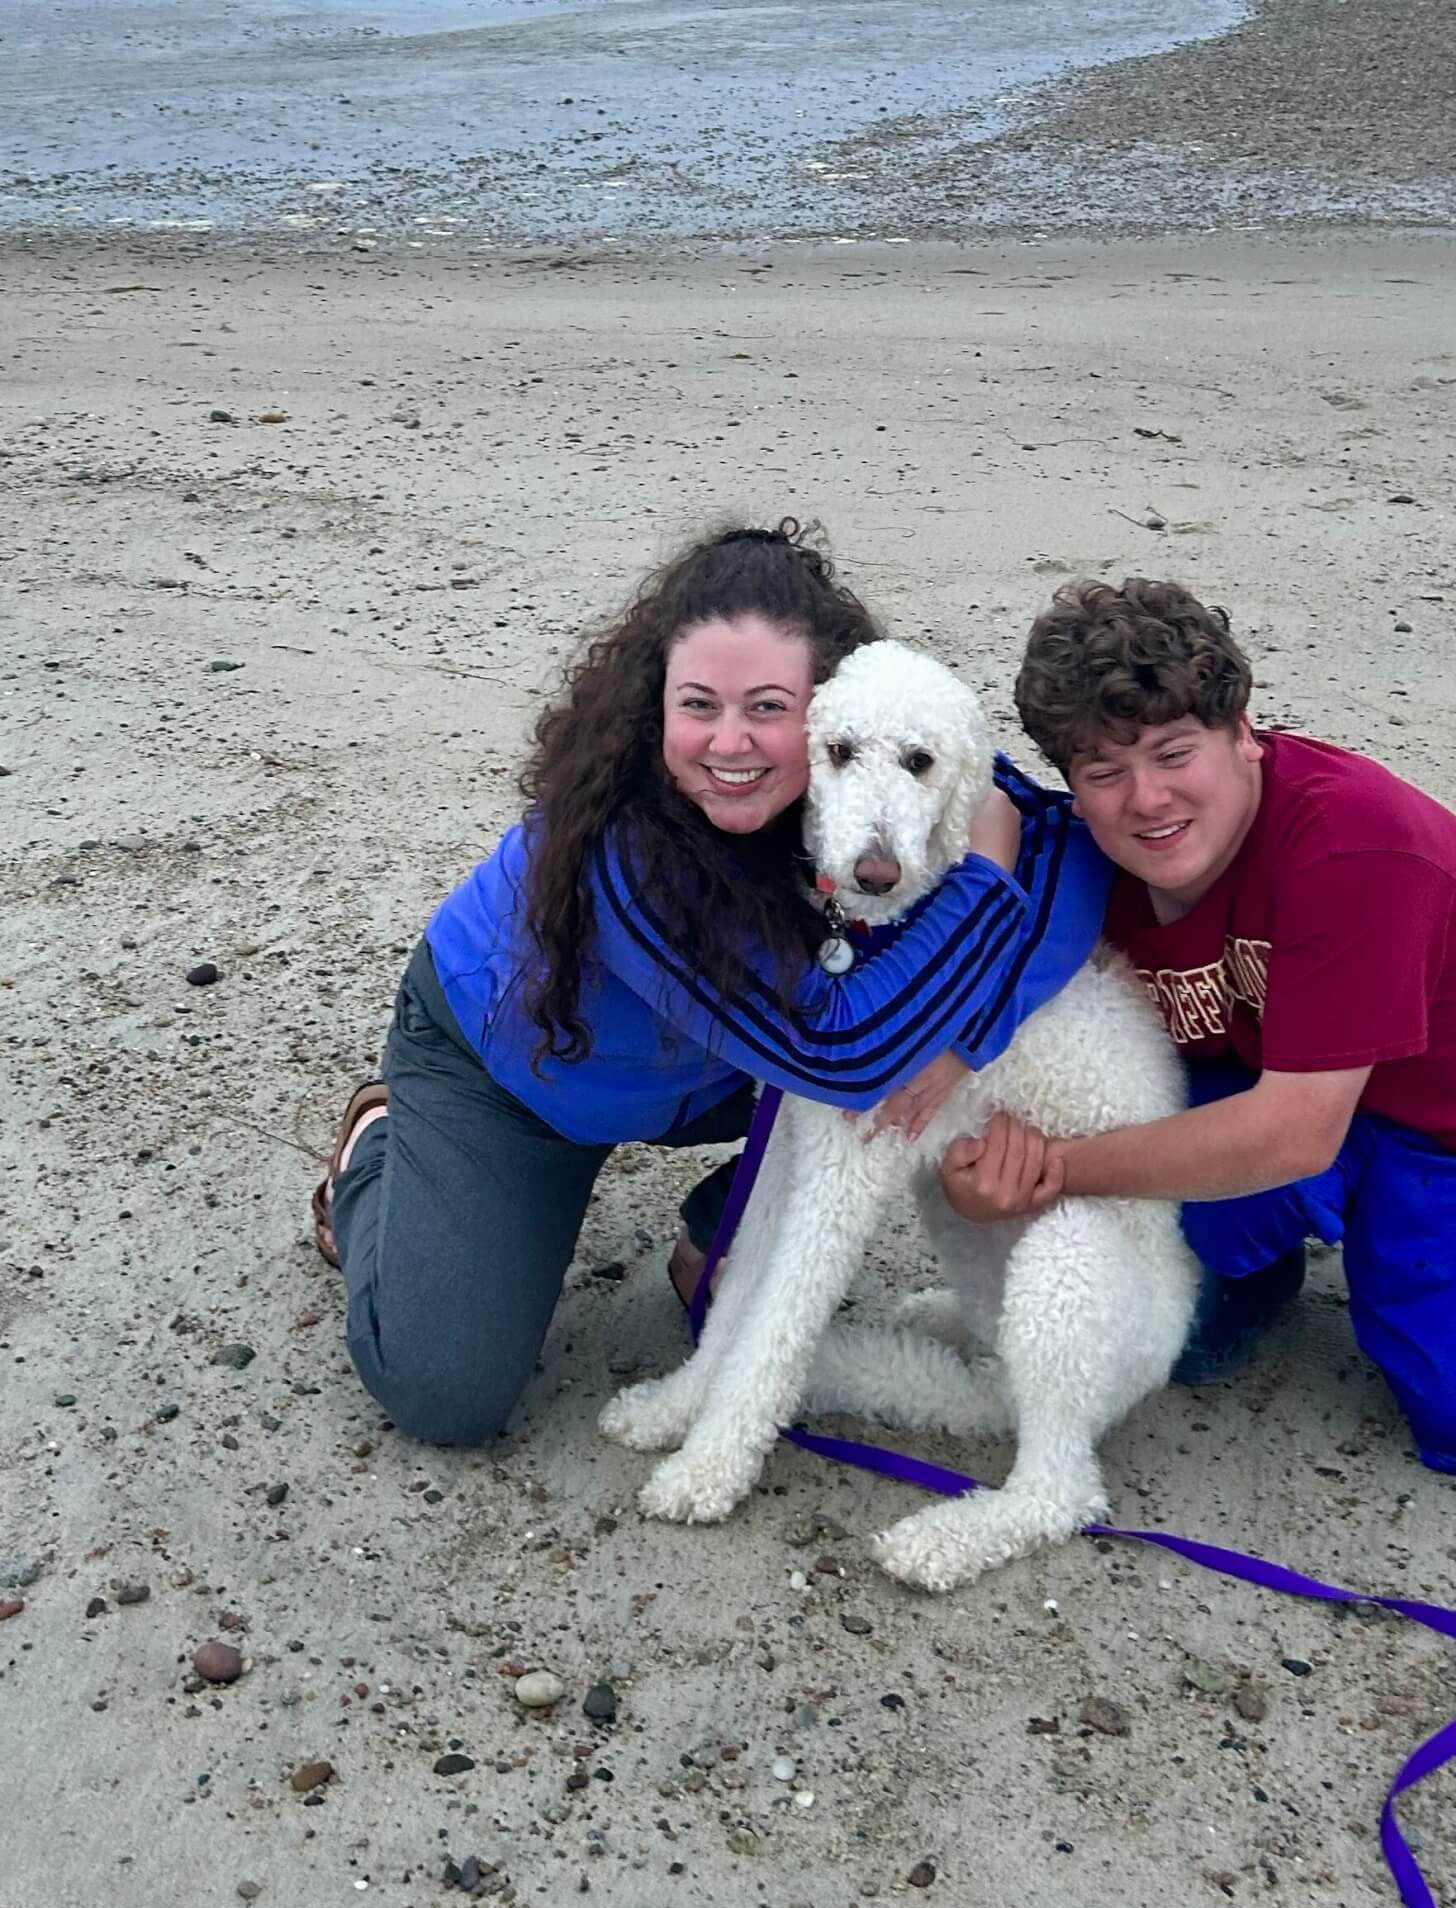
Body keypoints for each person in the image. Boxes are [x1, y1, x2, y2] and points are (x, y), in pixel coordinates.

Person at [311, 520, 1108, 1446]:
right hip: (520, 1076)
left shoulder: (858, 748)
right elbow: (839, 1056)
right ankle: (376, 1149)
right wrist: (984, 879)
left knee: (870, 1094)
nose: (732, 744)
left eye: (769, 707)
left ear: (824, 705)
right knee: (445, 1394)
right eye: (699, 706)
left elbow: (1073, 850)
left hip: (723, 1070)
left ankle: (714, 1229)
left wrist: (975, 1030)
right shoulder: (629, 847)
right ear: (655, 708)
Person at [939, 578, 1456, 1477]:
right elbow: (977, 796)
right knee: (1174, 1344)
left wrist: (1042, 1175)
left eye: (1174, 753)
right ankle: (1259, 1260)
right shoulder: (1089, 854)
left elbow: (1295, 1132)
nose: (1147, 799)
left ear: (1243, 729)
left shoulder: (1359, 846)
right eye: (1104, 772)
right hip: (1256, 1081)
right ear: (1073, 786)